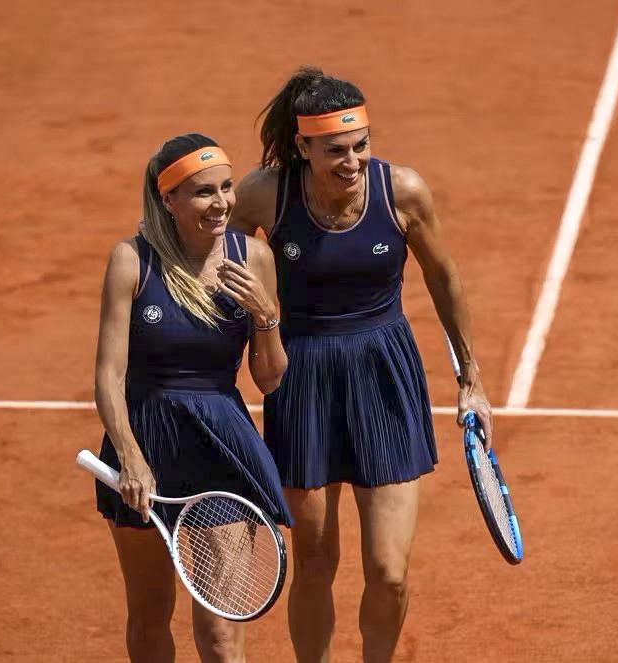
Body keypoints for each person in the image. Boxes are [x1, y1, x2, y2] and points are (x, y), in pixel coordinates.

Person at [230, 67, 495, 663]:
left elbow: (443, 276)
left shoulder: (402, 191)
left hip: (385, 375)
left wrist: (471, 378)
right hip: (303, 381)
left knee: (389, 571)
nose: (351, 160)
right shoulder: (263, 194)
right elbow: (218, 265)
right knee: (316, 562)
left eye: (360, 145)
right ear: (303, 147)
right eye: (334, 150)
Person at [93, 132, 291, 663]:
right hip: (146, 442)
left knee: (223, 636)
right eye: (204, 192)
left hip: (220, 446)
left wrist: (265, 314)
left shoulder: (254, 259)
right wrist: (131, 458)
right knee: (150, 618)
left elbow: (269, 379)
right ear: (169, 200)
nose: (222, 202)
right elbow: (109, 376)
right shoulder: (131, 261)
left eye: (226, 188)